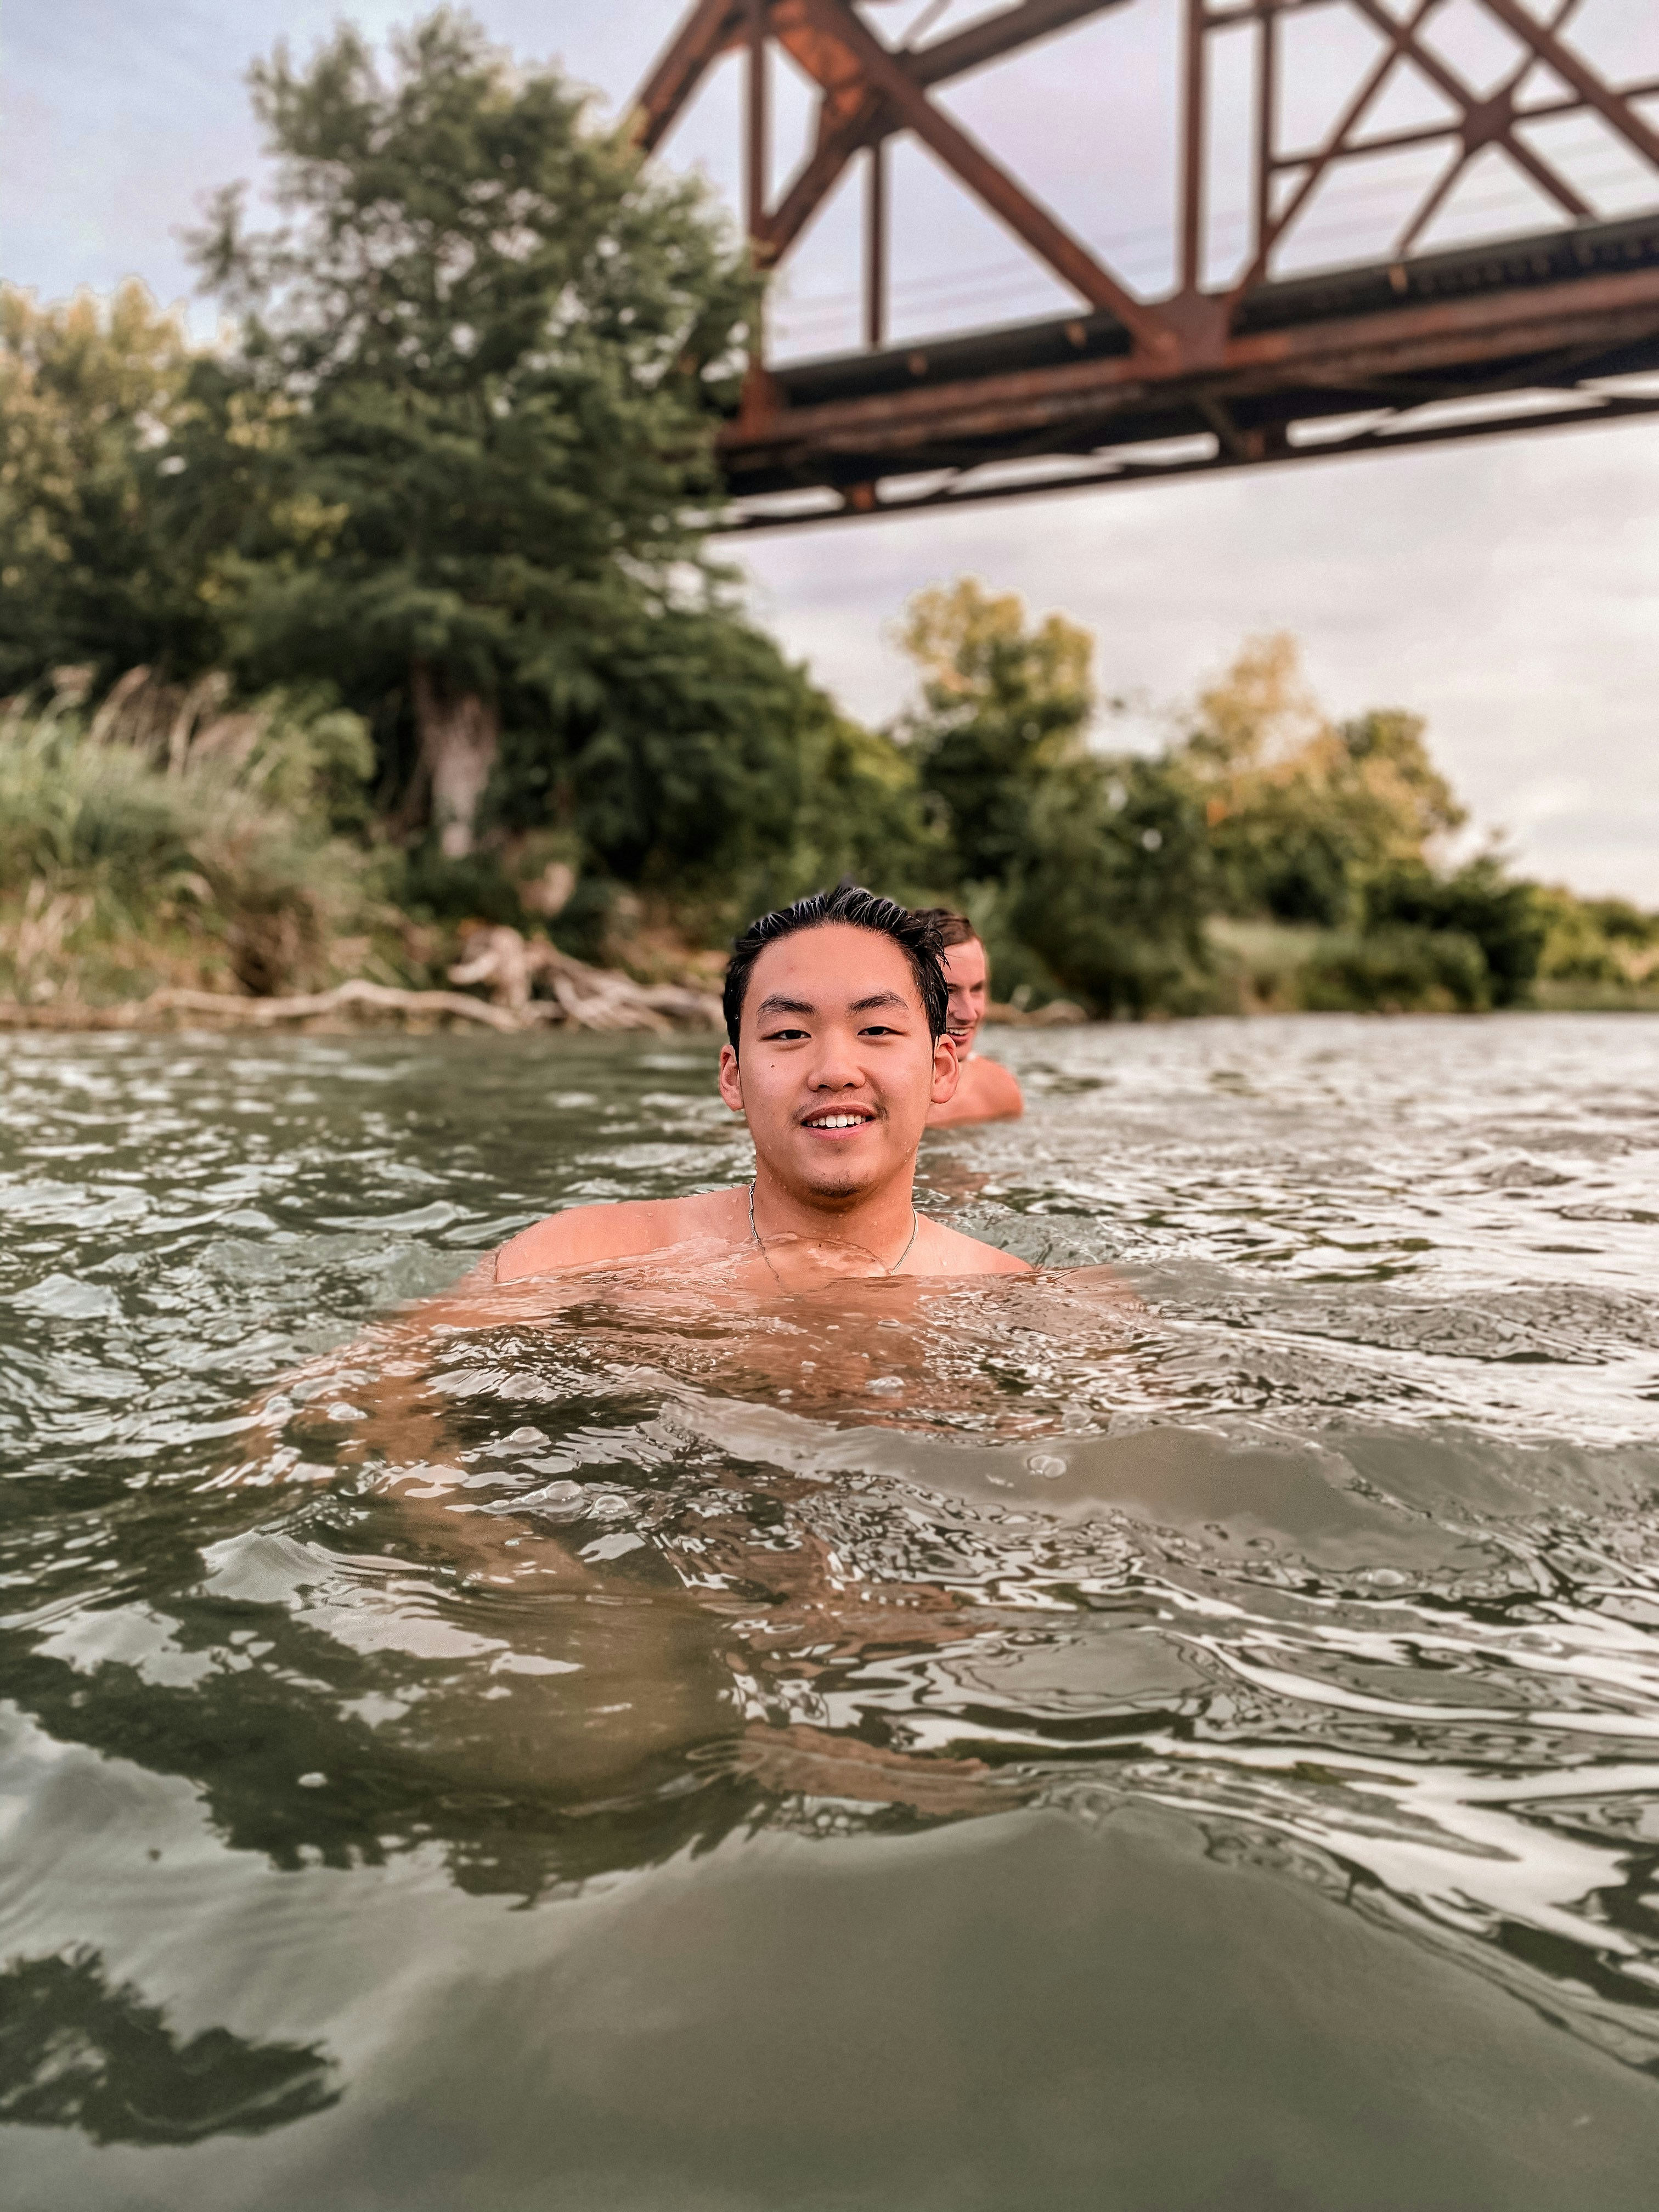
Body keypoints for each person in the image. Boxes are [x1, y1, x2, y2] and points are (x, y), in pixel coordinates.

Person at [496, 884, 1030, 1286]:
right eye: (791, 1033)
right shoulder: (575, 1262)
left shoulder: (1015, 1300)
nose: (835, 1071)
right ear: (733, 1078)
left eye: (876, 1030)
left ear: (942, 1070)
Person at [916, 911, 1025, 1127]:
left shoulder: (998, 1092)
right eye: (948, 990)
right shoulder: (860, 1097)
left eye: (977, 989)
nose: (969, 1014)